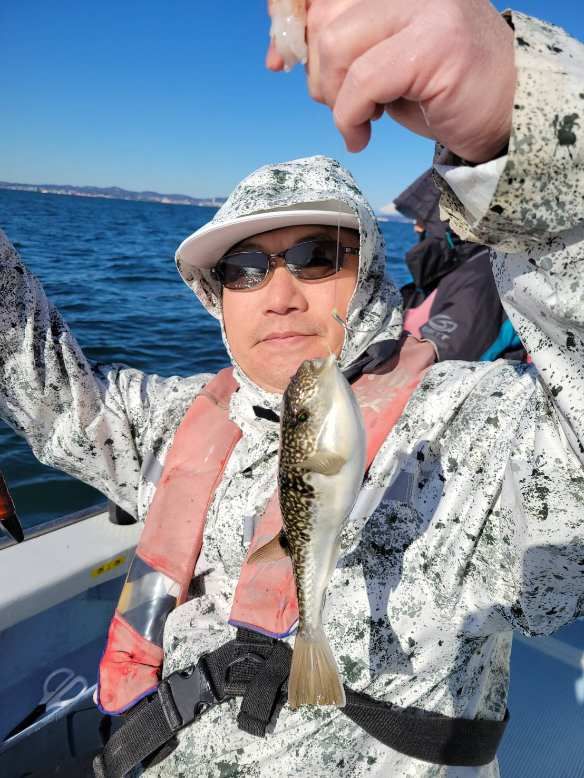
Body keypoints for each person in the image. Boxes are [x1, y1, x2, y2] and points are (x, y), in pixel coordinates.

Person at [1, 2, 583, 777]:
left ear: (367, 271)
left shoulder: (468, 430)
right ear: (216, 296)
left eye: (315, 256)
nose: (278, 295)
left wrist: (529, 117)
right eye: (243, 269)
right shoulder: (176, 420)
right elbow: (45, 389)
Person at [395, 169, 525, 361]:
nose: (416, 227)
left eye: (422, 219)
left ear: (447, 221)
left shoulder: (482, 275)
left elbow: (444, 354)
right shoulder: (461, 267)